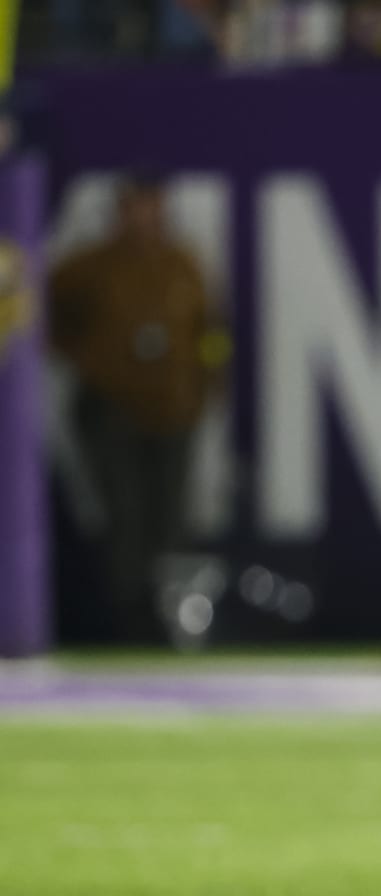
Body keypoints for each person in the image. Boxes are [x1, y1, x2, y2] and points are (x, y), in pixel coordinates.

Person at [49, 174, 225, 640]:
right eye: (134, 205)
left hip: (174, 408)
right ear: (120, 211)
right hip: (112, 409)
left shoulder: (183, 264)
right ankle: (129, 622)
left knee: (171, 521)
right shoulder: (90, 266)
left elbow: (210, 331)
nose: (143, 215)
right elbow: (44, 310)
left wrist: (209, 380)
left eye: (151, 204)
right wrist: (85, 357)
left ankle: (170, 621)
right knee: (126, 519)